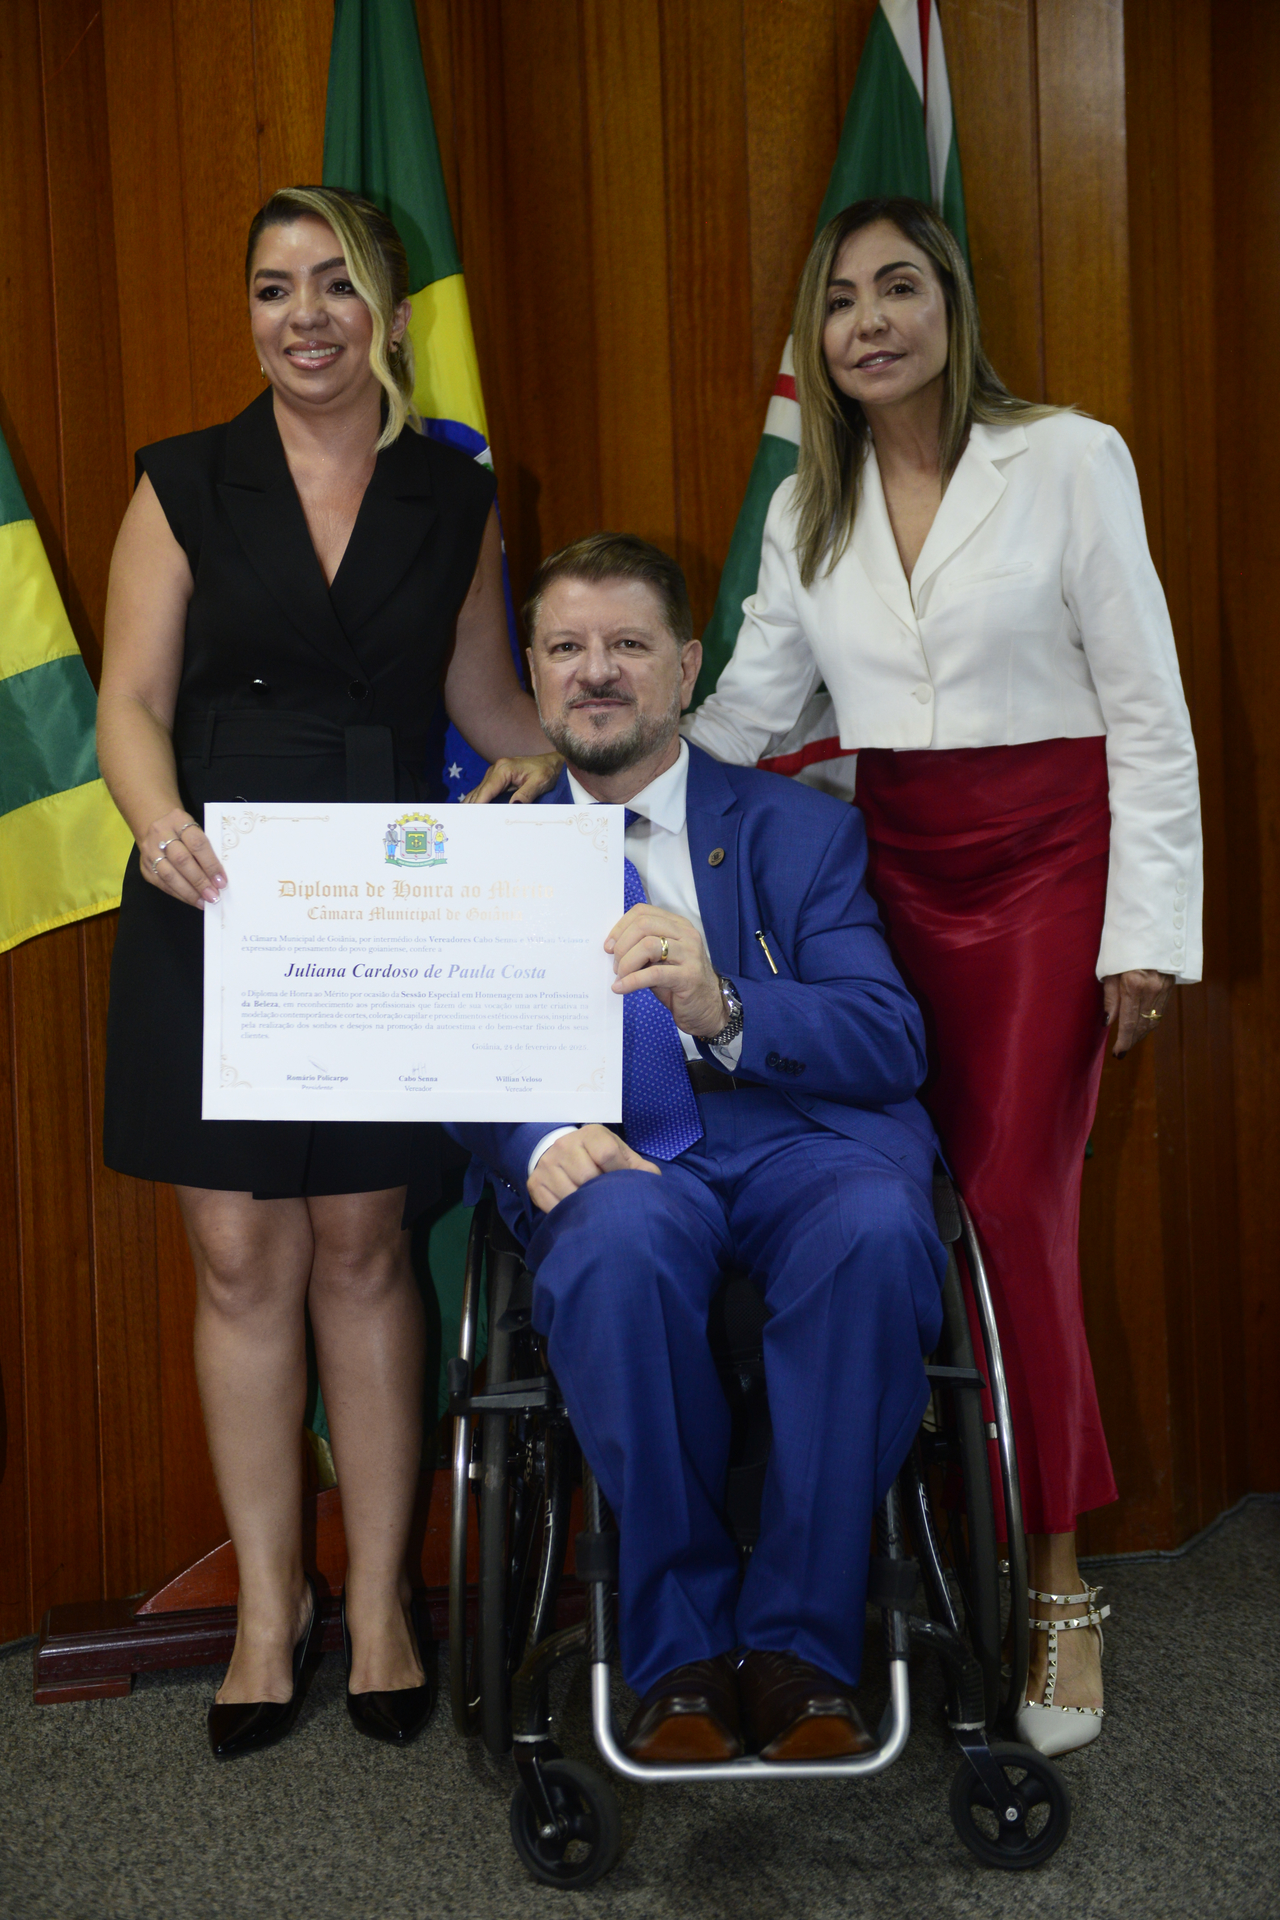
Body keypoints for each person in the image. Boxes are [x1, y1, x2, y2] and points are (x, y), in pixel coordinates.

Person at [681, 198, 1204, 1754]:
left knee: (1013, 1206)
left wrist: (1145, 933)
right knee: (897, 1194)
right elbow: (748, 716)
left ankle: (1059, 1583)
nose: (870, 322)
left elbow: (1148, 707)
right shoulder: (808, 509)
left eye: (898, 287)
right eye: (842, 300)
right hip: (890, 880)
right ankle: (917, 1535)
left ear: (950, 303)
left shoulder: (1070, 458)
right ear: (817, 337)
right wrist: (590, 782)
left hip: (1049, 875)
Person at [96, 185, 554, 1759]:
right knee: (239, 1255)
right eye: (275, 286)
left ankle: (375, 1606)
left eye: (337, 285)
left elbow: (488, 704)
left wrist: (559, 755)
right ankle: (265, 1609)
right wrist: (156, 824)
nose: (305, 315)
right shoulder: (182, 480)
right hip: (213, 883)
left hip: (380, 899)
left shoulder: (455, 495)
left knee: (362, 1243)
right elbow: (129, 699)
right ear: (249, 313)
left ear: (391, 318)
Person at [452, 533, 947, 1760]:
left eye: (627, 645)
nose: (596, 672)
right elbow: (439, 1048)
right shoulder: (485, 849)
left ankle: (798, 1648)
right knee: (613, 1246)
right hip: (617, 1151)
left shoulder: (800, 832)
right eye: (566, 648)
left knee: (875, 1227)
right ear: (533, 671)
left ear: (684, 667)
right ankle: (675, 1652)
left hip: (795, 1138)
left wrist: (724, 1006)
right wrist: (534, 1132)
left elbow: (888, 1036)